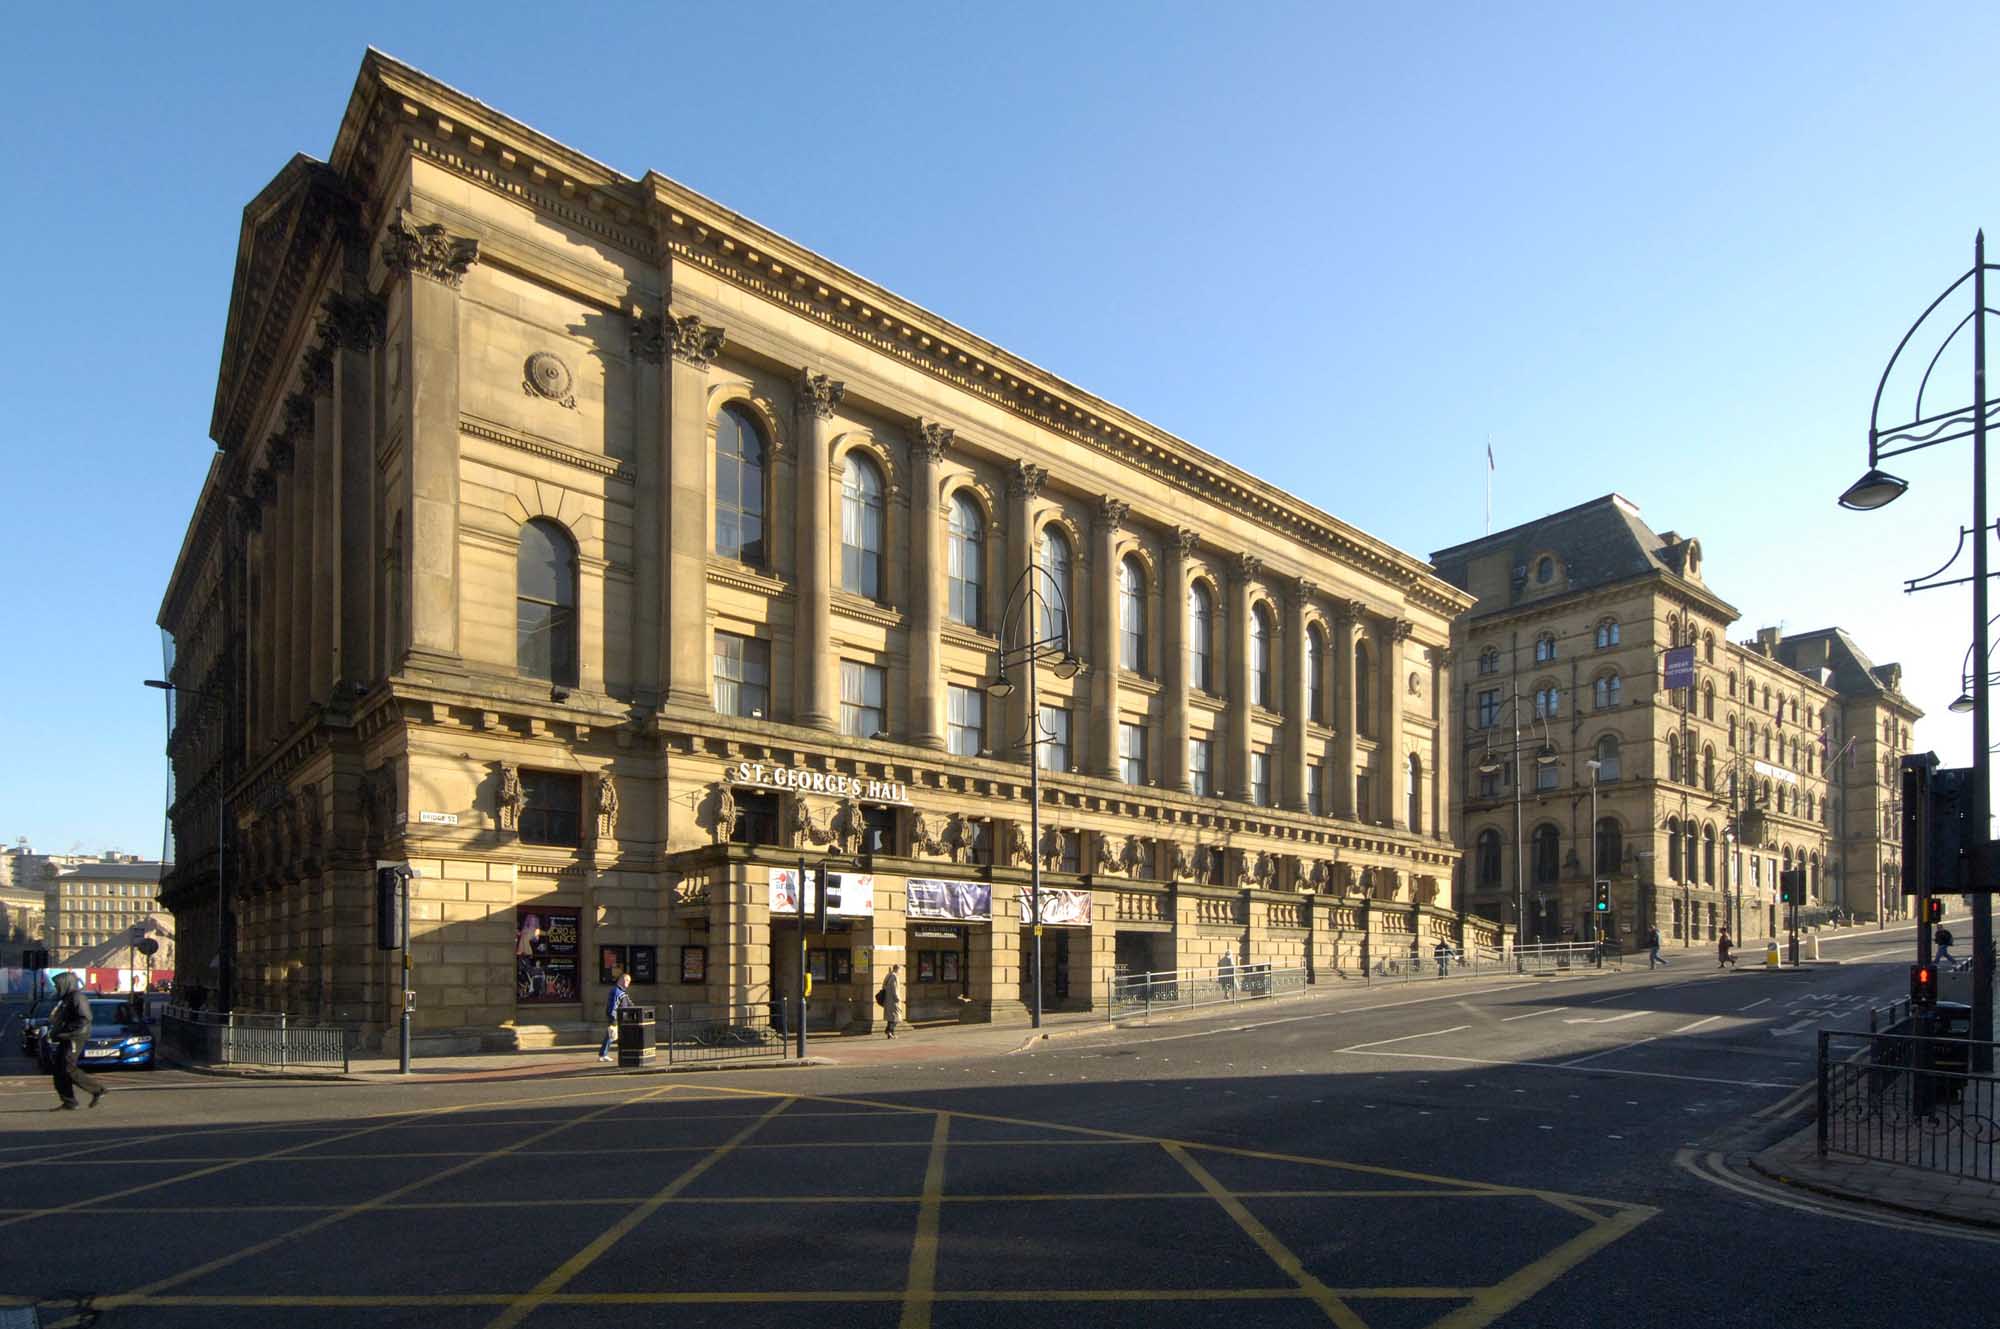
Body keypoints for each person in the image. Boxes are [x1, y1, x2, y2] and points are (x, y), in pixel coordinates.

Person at [45, 972, 106, 1111]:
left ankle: (98, 1089)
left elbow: (85, 1018)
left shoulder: (77, 997)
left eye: (58, 985)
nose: (56, 987)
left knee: (68, 1068)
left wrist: (66, 1030)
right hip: (65, 1037)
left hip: (74, 1037)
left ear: (66, 983)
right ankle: (69, 1101)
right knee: (59, 1070)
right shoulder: (67, 998)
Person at [598, 971, 632, 1062]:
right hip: (616, 1018)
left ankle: (603, 1054)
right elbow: (613, 1006)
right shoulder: (617, 992)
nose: (628, 983)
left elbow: (630, 1004)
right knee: (611, 1036)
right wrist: (613, 1018)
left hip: (621, 1018)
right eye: (627, 981)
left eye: (629, 981)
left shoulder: (621, 992)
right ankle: (603, 1055)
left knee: (611, 1036)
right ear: (622, 980)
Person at [878, 964, 902, 1038]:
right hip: (893, 1000)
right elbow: (894, 989)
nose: (900, 971)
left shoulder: (889, 975)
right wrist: (897, 998)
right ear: (897, 969)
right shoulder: (894, 976)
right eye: (900, 969)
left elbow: (884, 986)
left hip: (888, 999)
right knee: (896, 1017)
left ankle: (891, 1033)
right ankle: (888, 1030)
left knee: (891, 1017)